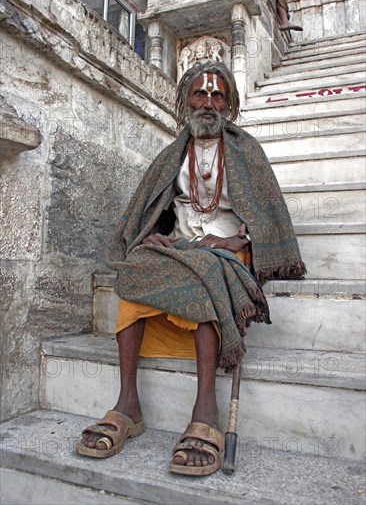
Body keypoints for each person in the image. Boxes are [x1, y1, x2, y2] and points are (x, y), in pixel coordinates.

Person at [75, 61, 306, 476]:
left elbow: (266, 216)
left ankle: (205, 410)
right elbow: (151, 209)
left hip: (228, 250)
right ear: (186, 102)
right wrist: (153, 235)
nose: (208, 103)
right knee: (135, 267)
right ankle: (128, 402)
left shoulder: (247, 150)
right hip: (180, 245)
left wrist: (235, 240)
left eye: (218, 96)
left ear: (230, 105)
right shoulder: (171, 154)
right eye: (200, 94)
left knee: (205, 269)